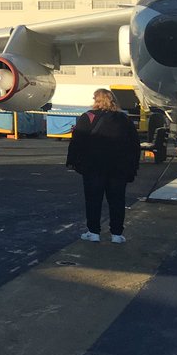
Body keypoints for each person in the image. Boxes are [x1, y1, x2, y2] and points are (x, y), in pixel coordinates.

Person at [66, 88, 140, 243]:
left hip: (93, 168)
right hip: (118, 169)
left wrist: (75, 163)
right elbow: (134, 145)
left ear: (96, 100)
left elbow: (77, 142)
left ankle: (94, 232)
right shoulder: (124, 119)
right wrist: (131, 168)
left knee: (93, 200)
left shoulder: (88, 117)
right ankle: (117, 234)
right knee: (117, 201)